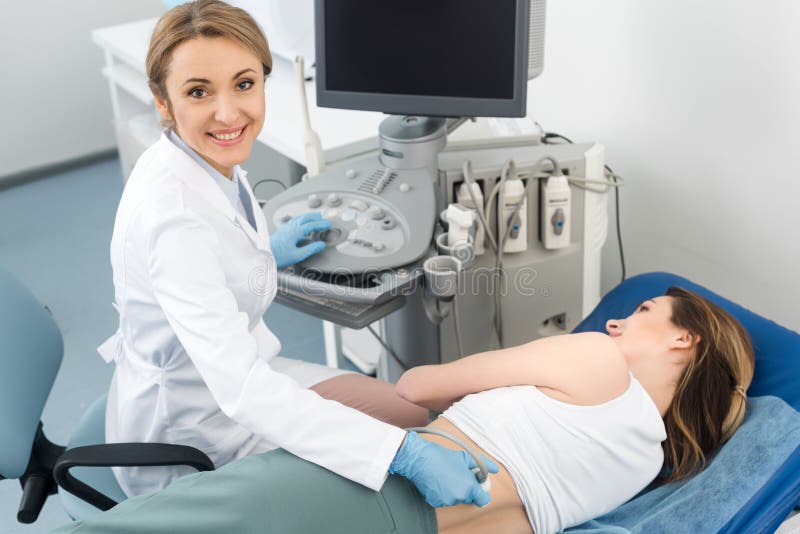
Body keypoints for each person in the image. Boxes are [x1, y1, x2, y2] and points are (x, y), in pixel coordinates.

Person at [99, 0, 497, 508]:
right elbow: (244, 391)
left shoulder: (204, 159)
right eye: (199, 92)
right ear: (162, 101)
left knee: (412, 415)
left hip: (239, 381)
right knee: (393, 487)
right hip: (197, 436)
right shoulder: (172, 219)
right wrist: (405, 457)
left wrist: (267, 253)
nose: (228, 113)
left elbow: (216, 267)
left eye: (244, 84)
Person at [57, 287, 755, 534]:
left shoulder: (597, 364)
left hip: (376, 487)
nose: (615, 324)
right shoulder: (645, 461)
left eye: (640, 312)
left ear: (683, 336)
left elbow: (420, 384)